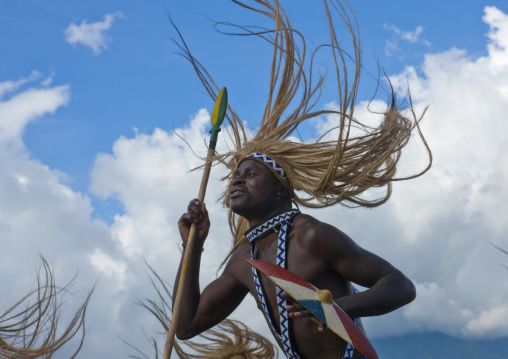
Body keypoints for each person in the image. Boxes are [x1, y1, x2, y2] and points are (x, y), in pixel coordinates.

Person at [171, 1, 431, 358]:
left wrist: (338, 309)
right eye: (234, 176)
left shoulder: (309, 235)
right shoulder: (243, 261)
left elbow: (401, 286)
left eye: (251, 175)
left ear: (280, 187)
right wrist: (193, 248)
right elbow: (185, 327)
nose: (237, 182)